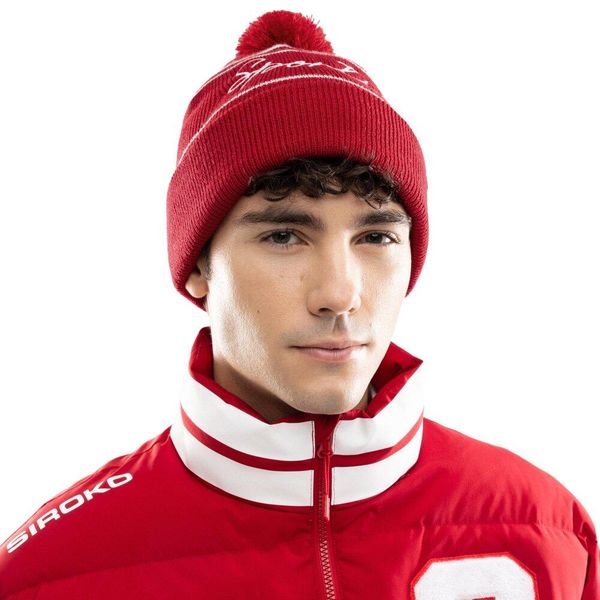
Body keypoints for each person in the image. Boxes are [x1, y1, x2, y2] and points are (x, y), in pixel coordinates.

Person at [1, 9, 598, 599]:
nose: (339, 294)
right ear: (199, 266)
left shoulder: (552, 532)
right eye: (284, 236)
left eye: (376, 237)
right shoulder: (50, 574)